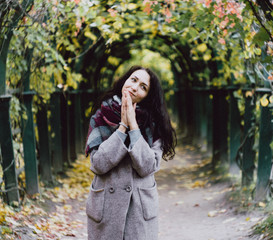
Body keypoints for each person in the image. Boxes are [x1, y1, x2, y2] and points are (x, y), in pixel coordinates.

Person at [85, 65, 176, 240]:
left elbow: (148, 166)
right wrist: (122, 127)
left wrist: (134, 127)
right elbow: (97, 164)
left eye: (143, 87)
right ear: (124, 81)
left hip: (139, 211)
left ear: (148, 96)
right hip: (106, 208)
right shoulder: (100, 115)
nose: (135, 87)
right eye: (133, 80)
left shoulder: (155, 124)